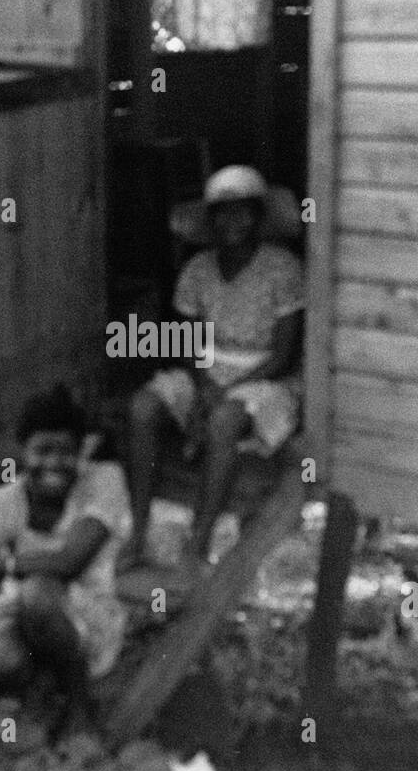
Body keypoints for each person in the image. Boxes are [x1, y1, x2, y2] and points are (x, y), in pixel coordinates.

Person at [122, 165, 305, 569]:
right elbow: (190, 343)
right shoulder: (197, 270)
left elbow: (283, 355)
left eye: (243, 211)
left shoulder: (283, 268)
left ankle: (198, 543)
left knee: (224, 420)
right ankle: (136, 531)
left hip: (264, 376)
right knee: (143, 407)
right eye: (223, 212)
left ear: (259, 218)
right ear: (210, 220)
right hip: (206, 370)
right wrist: (203, 384)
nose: (232, 221)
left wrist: (223, 392)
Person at [0, 385, 132, 741]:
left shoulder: (105, 482)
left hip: (89, 616)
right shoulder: (1, 505)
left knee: (38, 591)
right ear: (22, 451)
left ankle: (79, 705)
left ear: (81, 452)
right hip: (22, 617)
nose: (55, 463)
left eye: (66, 451)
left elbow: (69, 562)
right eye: (43, 450)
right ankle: (41, 687)